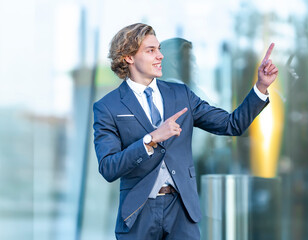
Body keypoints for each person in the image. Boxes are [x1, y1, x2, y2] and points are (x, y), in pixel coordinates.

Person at [93, 23, 278, 240]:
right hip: (138, 212)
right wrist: (150, 140)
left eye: (159, 49)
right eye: (150, 50)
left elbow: (231, 124)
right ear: (128, 57)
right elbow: (108, 167)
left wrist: (261, 87)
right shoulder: (108, 106)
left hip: (181, 210)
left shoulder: (181, 94)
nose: (160, 56)